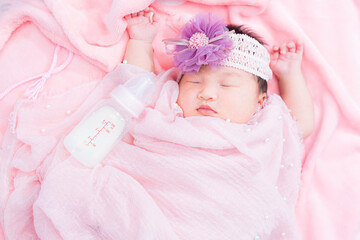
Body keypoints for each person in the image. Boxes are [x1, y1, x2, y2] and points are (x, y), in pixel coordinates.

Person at [125, 8, 314, 138]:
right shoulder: (167, 112)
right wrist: (141, 42)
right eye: (194, 82)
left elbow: (301, 125)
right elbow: (137, 87)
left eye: (226, 85)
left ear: (260, 102)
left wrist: (290, 76)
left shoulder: (260, 130)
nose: (206, 94)